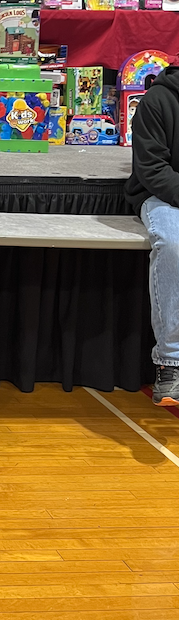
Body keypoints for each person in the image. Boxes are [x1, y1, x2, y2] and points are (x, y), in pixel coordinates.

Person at [125, 62, 179, 405]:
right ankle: (171, 362)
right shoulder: (157, 101)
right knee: (173, 244)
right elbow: (152, 170)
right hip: (162, 195)